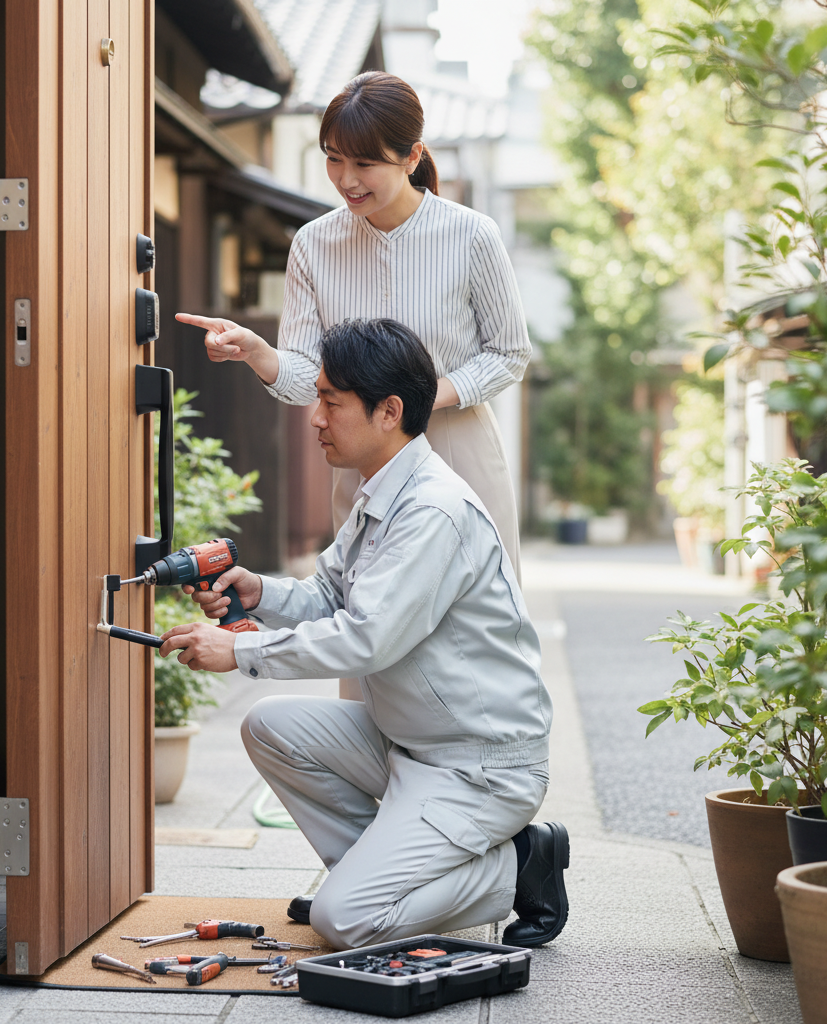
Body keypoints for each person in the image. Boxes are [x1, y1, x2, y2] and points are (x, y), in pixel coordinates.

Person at [158, 319, 568, 951]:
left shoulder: (432, 510)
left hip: (476, 767)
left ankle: (517, 867)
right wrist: (259, 593)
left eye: (331, 401)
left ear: (389, 412)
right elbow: (329, 595)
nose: (315, 418)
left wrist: (240, 649)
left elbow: (366, 638)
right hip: (411, 742)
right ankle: (368, 878)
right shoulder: (380, 492)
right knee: (269, 725)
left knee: (344, 922)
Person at [175, 71, 528, 588]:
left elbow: (509, 353)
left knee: (472, 612)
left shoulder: (472, 234)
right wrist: (257, 352)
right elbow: (306, 378)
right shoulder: (313, 244)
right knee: (365, 613)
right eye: (334, 158)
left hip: (457, 449)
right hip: (364, 462)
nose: (346, 179)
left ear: (411, 157)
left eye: (364, 163)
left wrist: (422, 398)